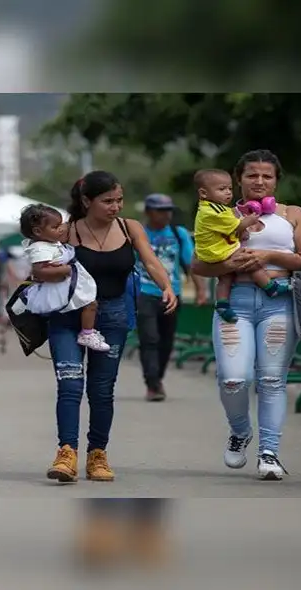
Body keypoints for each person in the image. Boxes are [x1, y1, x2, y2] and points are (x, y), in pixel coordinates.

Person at [191, 150, 301, 480]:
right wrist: (229, 265)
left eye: (267, 175)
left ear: (277, 180)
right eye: (251, 175)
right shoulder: (219, 213)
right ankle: (240, 432)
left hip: (279, 302)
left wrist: (268, 255)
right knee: (233, 379)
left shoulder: (293, 214)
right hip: (235, 302)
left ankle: (269, 452)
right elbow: (198, 263)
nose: (259, 181)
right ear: (238, 179)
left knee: (272, 380)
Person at [43, 171, 177, 483]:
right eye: (107, 201)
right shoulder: (67, 231)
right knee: (71, 384)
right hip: (68, 316)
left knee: (102, 390)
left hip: (113, 315)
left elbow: (151, 261)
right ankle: (66, 453)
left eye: (119, 200)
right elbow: (40, 264)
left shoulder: (129, 228)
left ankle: (97, 455)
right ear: (86, 201)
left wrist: (166, 286)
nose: (115, 207)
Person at [192, 168, 290, 324]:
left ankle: (222, 303)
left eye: (229, 189)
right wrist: (250, 219)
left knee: (225, 277)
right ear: (204, 193)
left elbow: (227, 229)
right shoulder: (215, 211)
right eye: (221, 189)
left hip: (212, 250)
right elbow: (237, 225)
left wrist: (240, 230)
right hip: (216, 251)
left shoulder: (210, 208)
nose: (228, 193)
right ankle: (270, 286)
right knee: (248, 258)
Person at [136, 193, 207, 401]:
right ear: (149, 212)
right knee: (149, 339)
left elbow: (190, 264)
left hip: (171, 294)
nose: (166, 215)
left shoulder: (178, 233)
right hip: (144, 293)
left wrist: (201, 290)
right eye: (161, 211)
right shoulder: (138, 234)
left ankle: (157, 378)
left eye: (169, 211)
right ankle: (152, 383)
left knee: (166, 340)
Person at [18, 203, 109, 352]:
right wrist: (65, 270)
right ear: (38, 231)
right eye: (55, 227)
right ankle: (87, 333)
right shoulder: (40, 248)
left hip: (64, 285)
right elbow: (40, 270)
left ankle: (87, 332)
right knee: (90, 303)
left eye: (61, 224)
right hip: (59, 288)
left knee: (90, 303)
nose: (61, 229)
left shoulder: (51, 242)